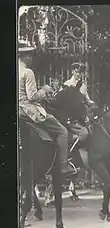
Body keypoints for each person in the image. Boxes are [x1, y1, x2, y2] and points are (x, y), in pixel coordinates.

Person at [18, 40, 76, 177]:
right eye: (30, 55)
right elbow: (31, 97)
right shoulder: (28, 72)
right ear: (24, 56)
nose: (31, 58)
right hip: (27, 110)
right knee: (62, 130)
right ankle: (63, 165)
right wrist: (44, 90)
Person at [63, 63, 94, 143]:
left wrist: (92, 104)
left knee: (92, 131)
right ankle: (70, 145)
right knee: (85, 134)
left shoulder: (83, 86)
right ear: (72, 71)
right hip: (70, 118)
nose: (78, 74)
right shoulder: (67, 84)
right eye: (76, 71)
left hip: (80, 118)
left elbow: (87, 99)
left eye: (80, 72)